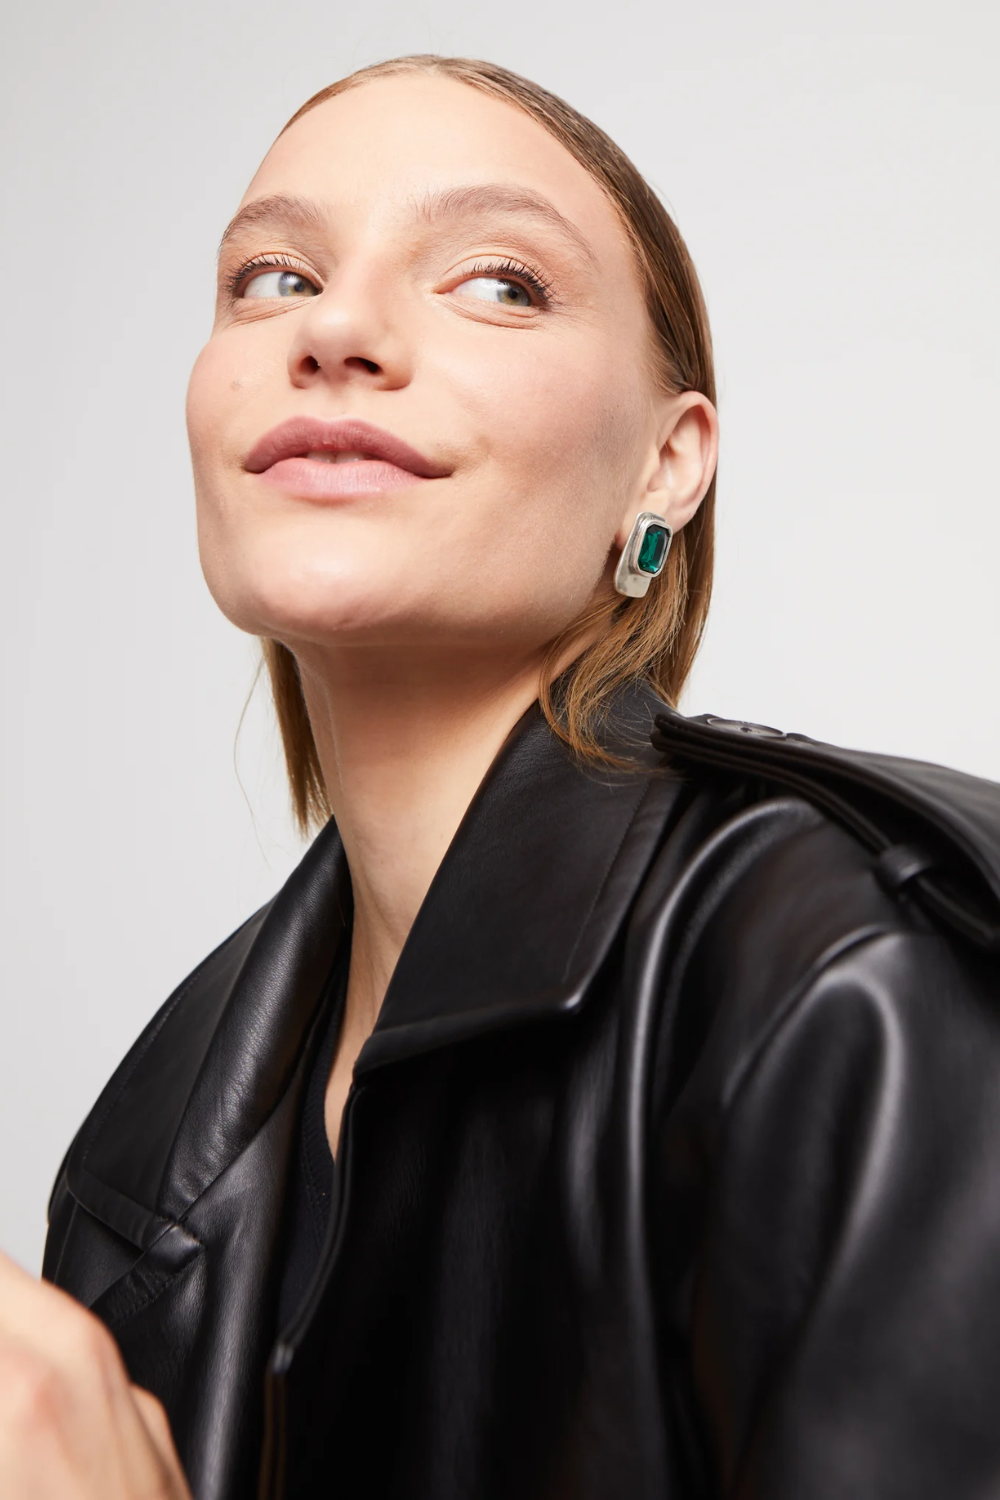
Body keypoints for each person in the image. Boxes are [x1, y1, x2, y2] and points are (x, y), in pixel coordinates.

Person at [6, 53, 1000, 1500]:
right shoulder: (144, 1142)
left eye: (498, 282)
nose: (335, 329)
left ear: (668, 465)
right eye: (274, 278)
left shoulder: (838, 971)